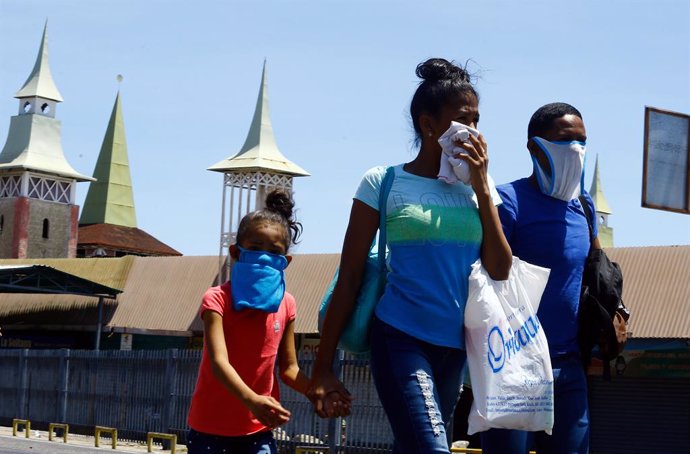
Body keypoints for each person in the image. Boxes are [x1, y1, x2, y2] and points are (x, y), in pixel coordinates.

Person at [308, 57, 512, 453]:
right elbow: (349, 276)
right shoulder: (383, 182)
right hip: (400, 337)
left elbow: (501, 268)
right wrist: (323, 368)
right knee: (432, 448)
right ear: (429, 125)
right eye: (464, 120)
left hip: (455, 348)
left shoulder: (479, 192)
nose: (473, 132)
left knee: (413, 445)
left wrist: (484, 187)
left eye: (477, 121)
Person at [480, 102, 598, 454]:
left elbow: (597, 268)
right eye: (565, 140)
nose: (576, 150)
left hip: (569, 367)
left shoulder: (585, 207)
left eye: (583, 141)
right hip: (514, 368)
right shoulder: (508, 201)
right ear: (535, 147)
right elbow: (488, 275)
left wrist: (616, 311)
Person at [187, 190, 310, 454]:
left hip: (257, 431)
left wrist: (318, 392)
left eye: (273, 251)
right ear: (236, 252)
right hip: (210, 428)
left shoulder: (287, 304)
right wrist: (252, 400)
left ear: (285, 261)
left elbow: (289, 369)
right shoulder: (217, 299)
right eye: (255, 249)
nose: (264, 256)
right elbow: (219, 363)